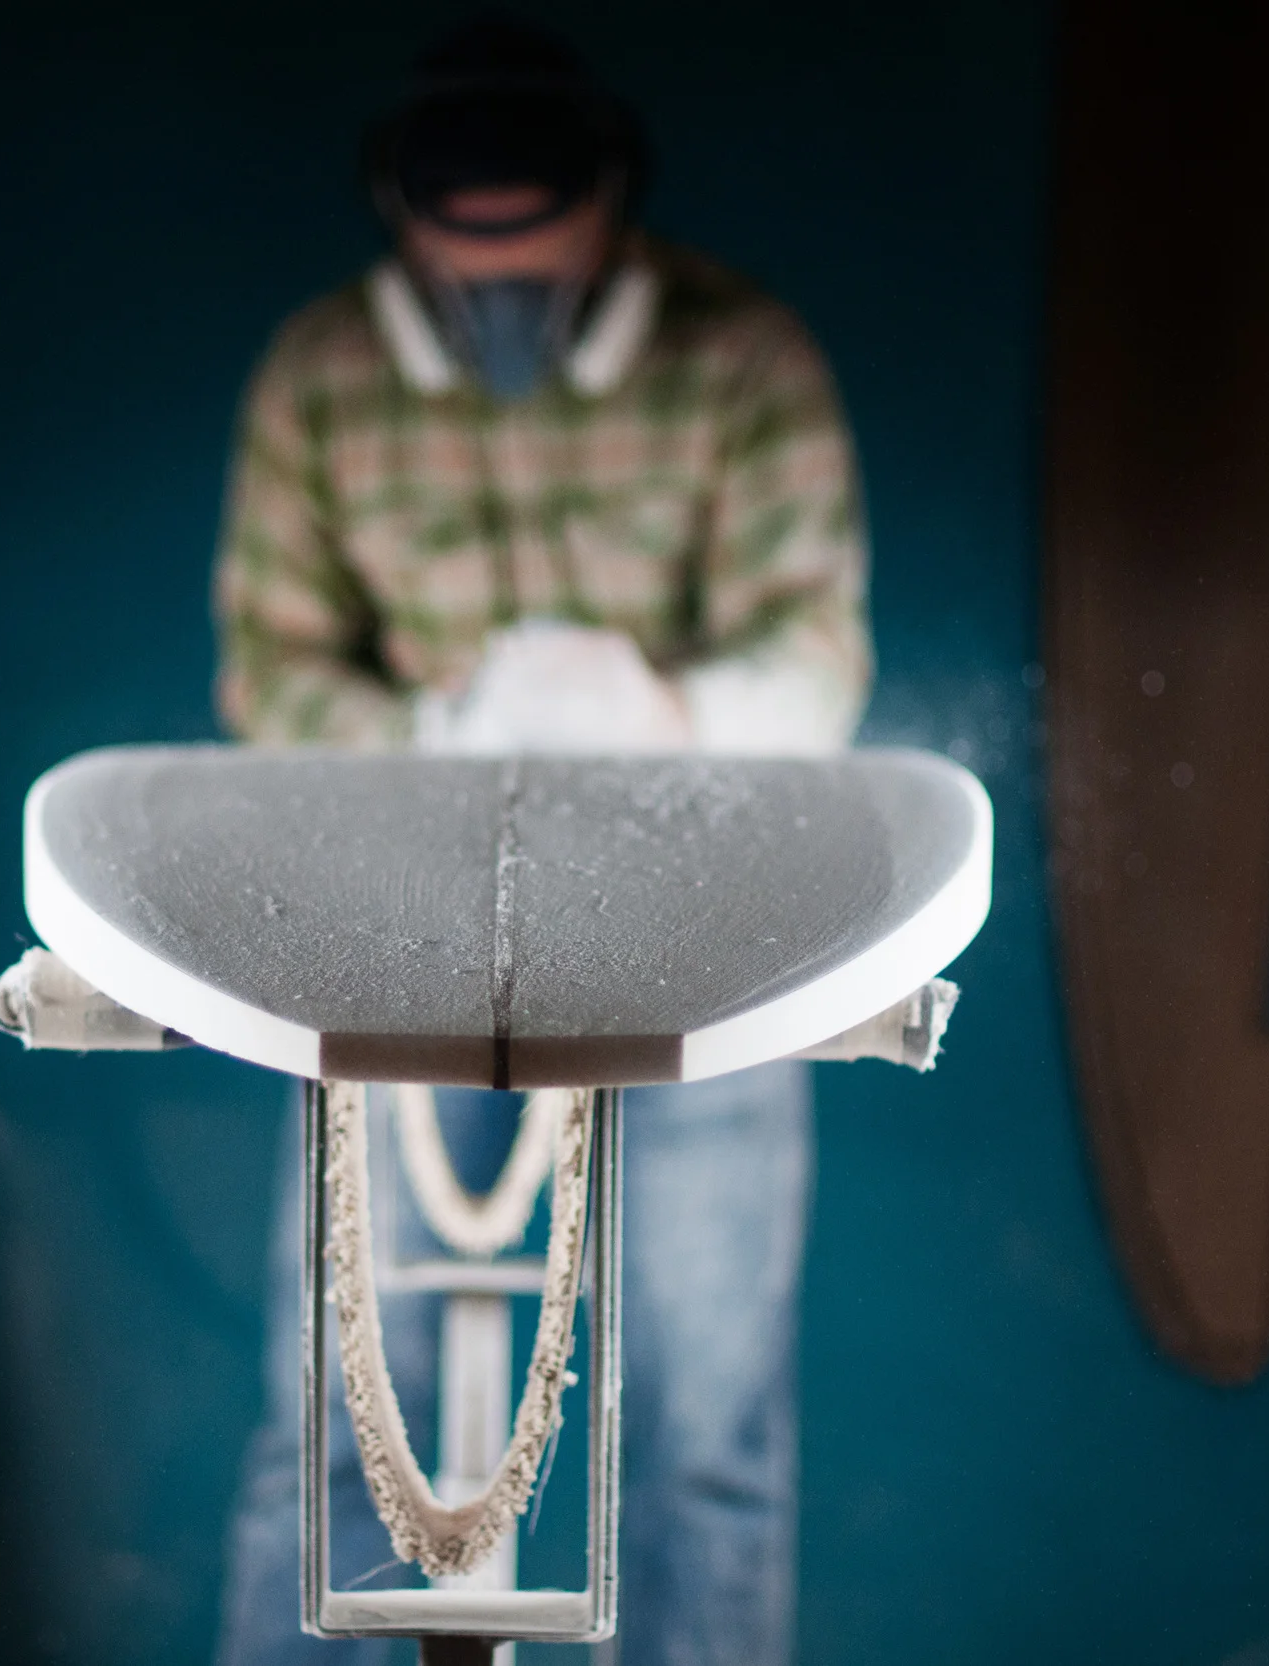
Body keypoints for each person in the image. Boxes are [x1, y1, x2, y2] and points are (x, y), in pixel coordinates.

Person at [211, 20, 871, 1665]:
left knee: (706, 1430)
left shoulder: (741, 360)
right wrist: (436, 728)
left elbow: (818, 654)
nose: (501, 284)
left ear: (611, 203)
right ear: (402, 211)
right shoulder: (323, 378)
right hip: (400, 927)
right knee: (334, 1417)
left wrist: (666, 707)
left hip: (696, 930)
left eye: (537, 248)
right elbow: (267, 668)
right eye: (469, 253)